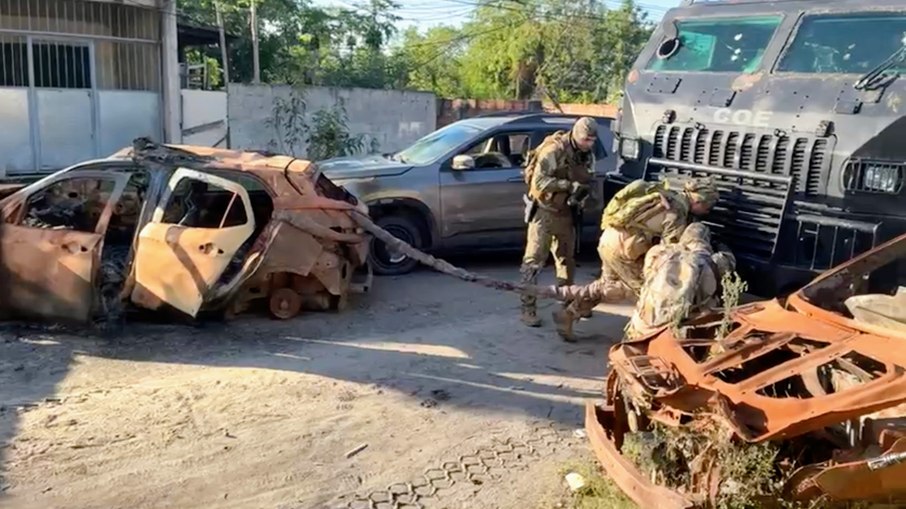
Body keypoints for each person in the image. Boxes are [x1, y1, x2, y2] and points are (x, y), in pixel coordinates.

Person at [551, 176, 720, 341]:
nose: (707, 212)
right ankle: (637, 338)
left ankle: (567, 314)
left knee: (608, 284)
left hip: (609, 240)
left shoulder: (668, 195)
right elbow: (671, 254)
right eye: (707, 207)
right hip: (624, 250)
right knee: (646, 291)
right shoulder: (676, 213)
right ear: (698, 201)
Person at [519, 117, 598, 327]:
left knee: (566, 261)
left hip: (566, 212)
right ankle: (528, 308)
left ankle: (568, 304)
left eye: (592, 140)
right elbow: (539, 182)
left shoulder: (585, 155)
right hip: (544, 213)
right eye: (585, 139)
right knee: (533, 262)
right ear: (575, 134)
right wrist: (568, 186)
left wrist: (582, 195)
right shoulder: (554, 151)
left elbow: (588, 178)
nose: (589, 144)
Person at [624, 222, 736, 340]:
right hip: (677, 331)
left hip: (645, 322)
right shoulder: (712, 262)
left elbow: (647, 274)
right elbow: (730, 262)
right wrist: (722, 247)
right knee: (713, 299)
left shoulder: (658, 252)